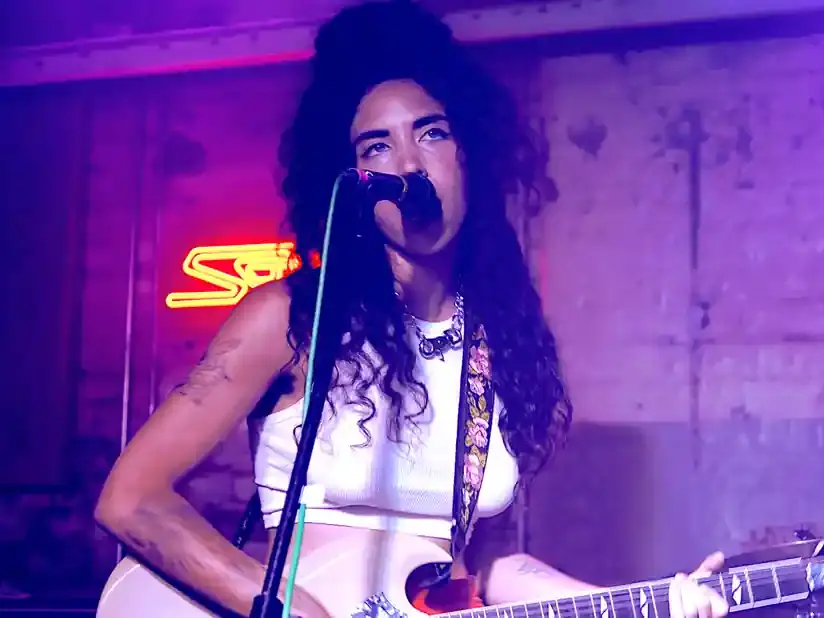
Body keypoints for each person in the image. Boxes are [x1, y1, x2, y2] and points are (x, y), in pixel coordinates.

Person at [94, 2, 730, 617]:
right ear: (351, 178)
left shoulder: (497, 343)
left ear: (468, 155)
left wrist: (647, 602)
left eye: (431, 133)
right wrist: (294, 611)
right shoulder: (295, 319)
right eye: (376, 147)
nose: (408, 164)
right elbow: (130, 499)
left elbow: (478, 568)